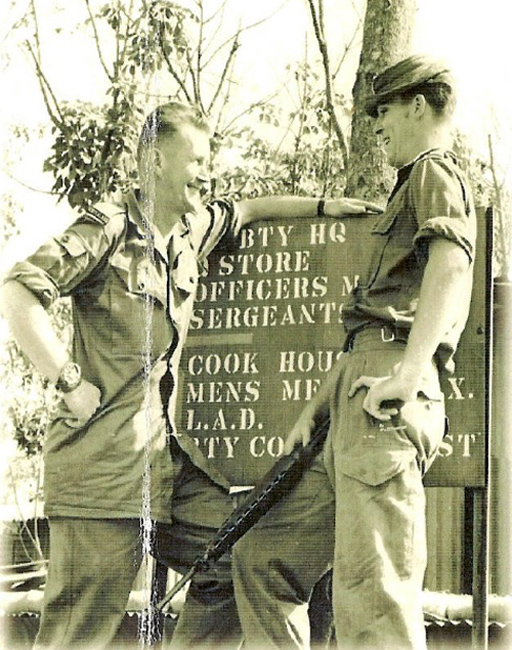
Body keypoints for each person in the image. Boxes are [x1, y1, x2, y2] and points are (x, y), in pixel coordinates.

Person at [0, 102, 379, 650]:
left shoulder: (186, 234)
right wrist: (67, 380)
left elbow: (245, 210)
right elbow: (17, 291)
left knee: (234, 552)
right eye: (196, 160)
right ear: (156, 160)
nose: (207, 172)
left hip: (166, 472)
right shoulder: (108, 230)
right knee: (78, 634)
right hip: (101, 478)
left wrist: (323, 206)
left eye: (209, 160)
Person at [232, 54, 477, 650]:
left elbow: (452, 264)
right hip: (356, 396)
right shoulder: (411, 183)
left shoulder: (432, 171)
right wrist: (314, 410)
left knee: (374, 604)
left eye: (384, 110)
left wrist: (409, 376)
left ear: (418, 105)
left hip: (384, 403)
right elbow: (367, 328)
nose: (377, 125)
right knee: (262, 561)